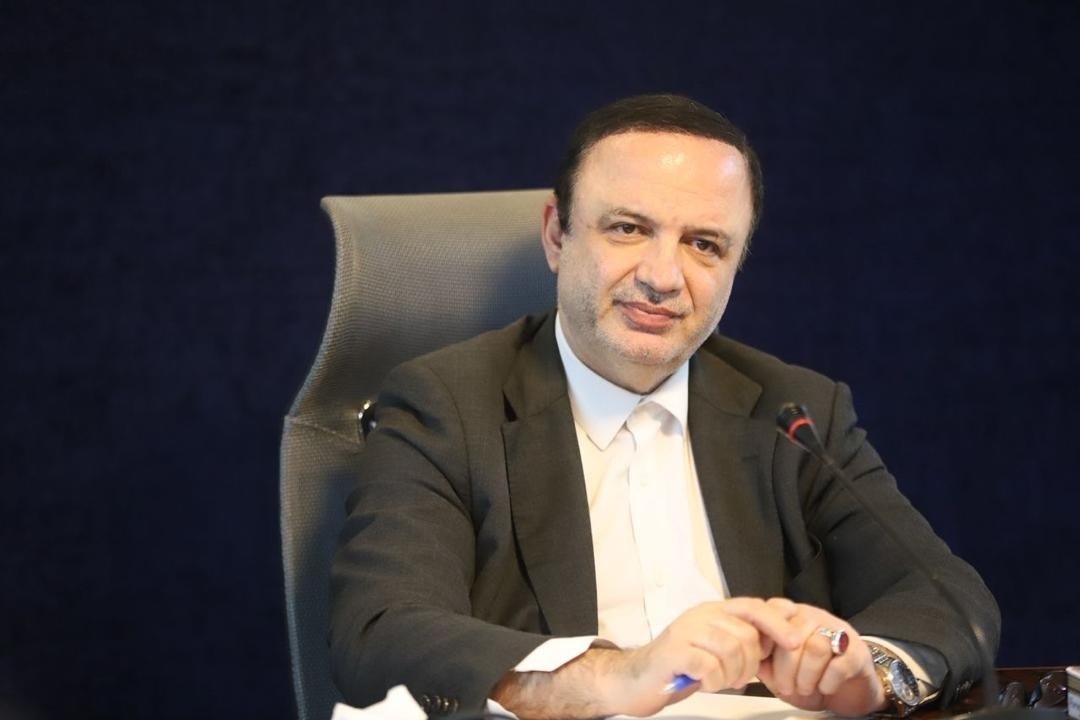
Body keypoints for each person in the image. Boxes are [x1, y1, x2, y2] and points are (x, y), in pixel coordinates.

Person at [329, 94, 1000, 719]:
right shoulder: (446, 404)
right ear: (557, 236)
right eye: (628, 229)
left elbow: (948, 600)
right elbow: (379, 633)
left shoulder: (795, 412)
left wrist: (869, 670)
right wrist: (617, 676)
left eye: (704, 244)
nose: (662, 277)